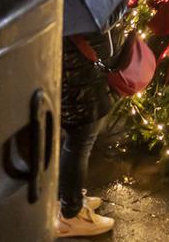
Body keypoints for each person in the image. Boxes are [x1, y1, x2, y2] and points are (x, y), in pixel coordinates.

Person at [57, 26, 116, 237]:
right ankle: (71, 214)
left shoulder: (75, 2)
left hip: (80, 71)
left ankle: (67, 197)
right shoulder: (75, 1)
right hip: (77, 75)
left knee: (78, 141)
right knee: (80, 141)